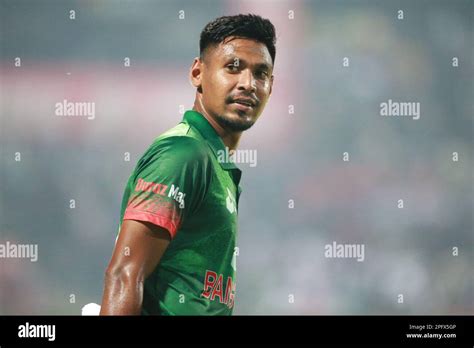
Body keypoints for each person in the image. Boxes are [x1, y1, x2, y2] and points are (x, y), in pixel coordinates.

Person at [100, 13, 276, 315]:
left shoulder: (215, 162)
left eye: (260, 74)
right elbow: (125, 273)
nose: (248, 84)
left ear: (271, 86)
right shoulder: (184, 154)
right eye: (233, 67)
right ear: (197, 73)